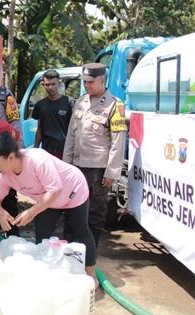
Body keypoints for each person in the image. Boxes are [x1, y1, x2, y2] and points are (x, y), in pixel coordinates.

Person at [0, 132, 98, 284]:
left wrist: (31, 212)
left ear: (11, 157)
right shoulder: (4, 174)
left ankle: (91, 275)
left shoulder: (37, 160)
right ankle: (45, 273)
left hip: (73, 190)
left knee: (80, 230)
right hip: (48, 200)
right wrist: (0, 212)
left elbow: (55, 190)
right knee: (42, 236)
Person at [63, 63, 127, 245]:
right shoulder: (80, 102)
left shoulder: (115, 106)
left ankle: (89, 253)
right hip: (77, 166)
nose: (86, 85)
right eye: (85, 82)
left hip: (98, 170)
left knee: (95, 213)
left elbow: (118, 141)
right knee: (71, 207)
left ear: (102, 80)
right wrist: (66, 164)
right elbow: (71, 135)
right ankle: (69, 247)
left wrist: (112, 172)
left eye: (90, 82)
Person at [32, 69, 74, 159]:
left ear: (59, 83)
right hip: (46, 152)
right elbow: (39, 128)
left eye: (53, 84)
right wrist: (35, 148)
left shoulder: (69, 102)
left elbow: (75, 129)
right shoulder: (40, 105)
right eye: (47, 84)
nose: (50, 87)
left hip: (65, 152)